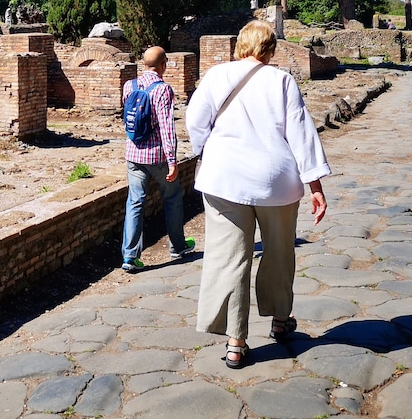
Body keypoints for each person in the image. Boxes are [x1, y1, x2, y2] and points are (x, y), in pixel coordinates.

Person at [185, 20, 330, 369]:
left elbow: (194, 121)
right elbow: (300, 132)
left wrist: (210, 150)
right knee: (280, 252)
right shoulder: (282, 80)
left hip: (224, 179)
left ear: (240, 46)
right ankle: (280, 319)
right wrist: (315, 184)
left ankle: (236, 341)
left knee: (229, 257)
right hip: (275, 182)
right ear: (270, 49)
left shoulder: (217, 75)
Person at [120, 45, 194, 272]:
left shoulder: (129, 85)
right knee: (172, 197)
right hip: (157, 156)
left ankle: (130, 256)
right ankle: (178, 246)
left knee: (135, 201)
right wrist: (172, 160)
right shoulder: (162, 90)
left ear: (144, 64)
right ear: (164, 65)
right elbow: (166, 127)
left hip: (133, 153)